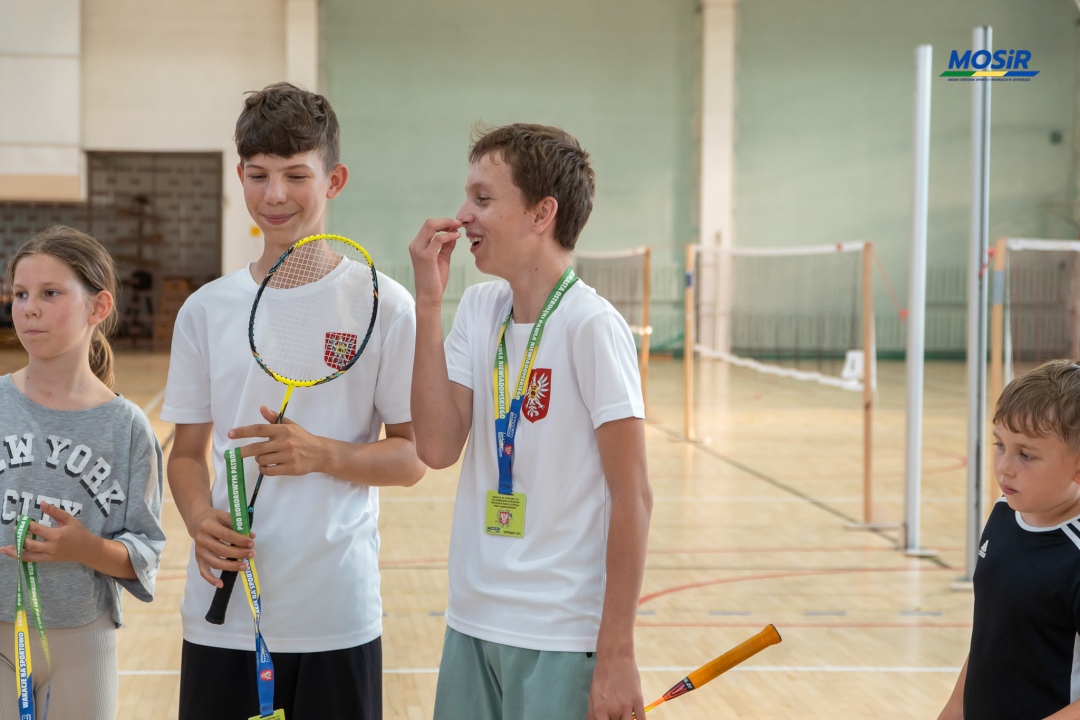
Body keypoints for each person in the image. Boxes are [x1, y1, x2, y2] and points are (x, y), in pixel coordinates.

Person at [161, 82, 423, 720]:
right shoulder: (205, 310)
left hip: (335, 613)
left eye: (295, 175)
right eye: (258, 175)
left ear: (333, 181)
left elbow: (413, 456)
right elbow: (188, 454)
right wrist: (200, 522)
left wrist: (323, 453)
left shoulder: (384, 305)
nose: (274, 195)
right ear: (241, 178)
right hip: (221, 612)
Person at [408, 123, 653, 720]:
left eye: (483, 199)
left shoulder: (590, 326)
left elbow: (634, 496)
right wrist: (428, 305)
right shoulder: (478, 308)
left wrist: (617, 652)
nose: (463, 216)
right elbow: (437, 448)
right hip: (472, 619)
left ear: (543, 212)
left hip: (559, 635)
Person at [0, 225, 165, 718]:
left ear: (98, 307)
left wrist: (84, 548)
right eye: (20, 294)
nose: (29, 307)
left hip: (82, 634)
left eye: (50, 293)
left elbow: (144, 551)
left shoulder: (127, 426)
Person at [938, 359, 1080, 720]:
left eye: (1026, 454)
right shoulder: (1004, 512)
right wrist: (954, 710)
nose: (1004, 466)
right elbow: (991, 638)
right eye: (1000, 444)